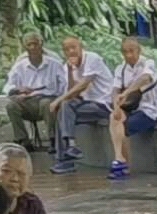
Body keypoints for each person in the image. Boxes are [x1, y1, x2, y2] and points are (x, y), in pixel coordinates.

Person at [47, 36, 115, 174]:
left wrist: (58, 100)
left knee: (63, 106)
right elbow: (72, 92)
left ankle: (68, 152)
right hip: (86, 104)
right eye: (67, 49)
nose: (71, 51)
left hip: (104, 104)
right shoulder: (68, 66)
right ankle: (67, 157)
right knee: (63, 111)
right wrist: (72, 71)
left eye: (74, 47)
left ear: (80, 47)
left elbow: (84, 84)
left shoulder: (92, 59)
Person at [107, 37, 157, 181]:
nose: (129, 55)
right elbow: (115, 89)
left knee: (123, 128)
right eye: (125, 52)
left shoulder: (148, 64)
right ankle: (119, 158)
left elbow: (145, 79)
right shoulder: (121, 68)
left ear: (138, 50)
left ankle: (124, 164)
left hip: (149, 111)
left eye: (131, 51)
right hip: (130, 107)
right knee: (114, 117)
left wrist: (126, 93)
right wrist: (116, 105)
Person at [2, 33, 66, 152]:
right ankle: (23, 140)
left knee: (47, 104)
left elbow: (63, 86)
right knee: (11, 106)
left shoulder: (54, 64)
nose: (33, 48)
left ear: (41, 44)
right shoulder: (20, 65)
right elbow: (7, 86)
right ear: (25, 47)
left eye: (35, 44)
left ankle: (53, 139)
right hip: (26, 102)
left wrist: (55, 97)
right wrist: (18, 90)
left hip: (46, 100)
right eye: (29, 45)